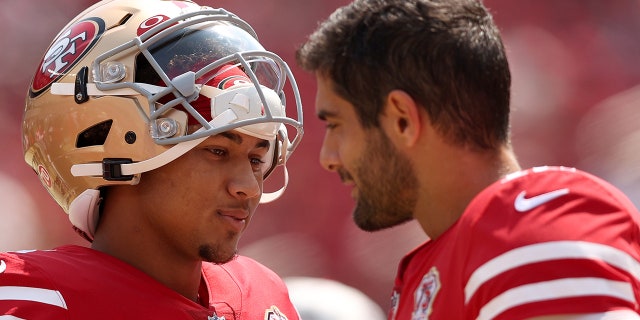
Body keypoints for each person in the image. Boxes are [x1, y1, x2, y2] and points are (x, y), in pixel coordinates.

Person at [296, 0, 640, 319]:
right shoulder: (455, 254)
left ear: (402, 119)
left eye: (337, 125)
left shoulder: (532, 227)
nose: (329, 157)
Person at [0, 0, 304, 319]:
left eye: (256, 159)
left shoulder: (262, 294)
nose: (249, 188)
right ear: (114, 143)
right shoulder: (33, 301)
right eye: (218, 151)